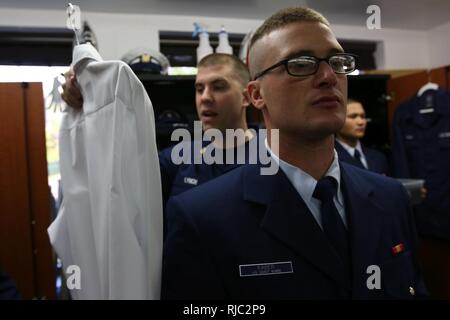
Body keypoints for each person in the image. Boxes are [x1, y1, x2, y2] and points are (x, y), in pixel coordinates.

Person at [162, 7, 427, 299]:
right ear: (256, 95)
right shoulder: (201, 218)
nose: (328, 76)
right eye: (300, 64)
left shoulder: (391, 199)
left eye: (338, 62)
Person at [61, 53, 254, 206]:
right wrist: (83, 81)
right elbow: (118, 180)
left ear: (246, 97)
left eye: (218, 87)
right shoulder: (179, 159)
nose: (204, 97)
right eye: (199, 88)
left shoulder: (271, 157)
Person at [335, 98, 389, 175]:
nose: (361, 122)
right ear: (337, 121)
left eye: (363, 116)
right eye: (353, 116)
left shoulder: (378, 157)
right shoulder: (329, 160)